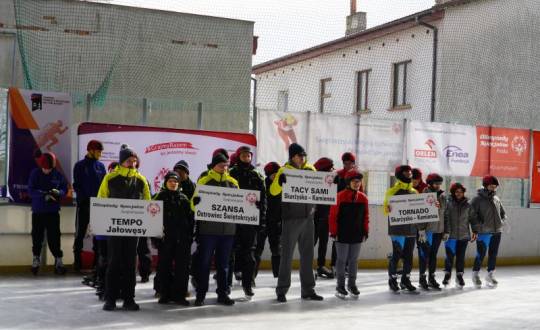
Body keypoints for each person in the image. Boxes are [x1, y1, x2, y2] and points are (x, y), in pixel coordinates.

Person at [99, 145, 151, 311]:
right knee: (114, 262)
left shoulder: (141, 180)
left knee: (130, 263)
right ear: (122, 162)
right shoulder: (110, 178)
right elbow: (102, 200)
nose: (133, 164)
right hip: (115, 228)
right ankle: (110, 299)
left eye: (135, 161)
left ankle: (129, 298)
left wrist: (150, 223)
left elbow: (148, 204)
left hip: (133, 229)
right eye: (129, 161)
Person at [270, 143, 323, 303]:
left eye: (304, 155)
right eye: (300, 155)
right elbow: (273, 191)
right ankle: (281, 290)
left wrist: (330, 183)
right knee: (286, 256)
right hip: (290, 218)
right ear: (292, 156)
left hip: (308, 219)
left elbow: (321, 189)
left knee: (308, 255)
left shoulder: (311, 170)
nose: (302, 158)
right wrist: (279, 182)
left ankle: (308, 290)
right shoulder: (284, 170)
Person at [192, 151, 238, 306]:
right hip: (208, 231)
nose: (224, 168)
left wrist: (252, 206)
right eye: (221, 165)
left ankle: (223, 294)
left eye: (226, 165)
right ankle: (201, 294)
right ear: (214, 165)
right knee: (204, 263)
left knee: (223, 265)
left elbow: (241, 205)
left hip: (227, 232)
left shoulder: (233, 182)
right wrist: (196, 202)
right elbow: (193, 204)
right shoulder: (204, 181)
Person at [229, 146, 267, 299]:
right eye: (243, 155)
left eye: (248, 155)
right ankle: (226, 284)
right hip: (233, 219)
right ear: (239, 156)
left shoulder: (257, 175)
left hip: (250, 221)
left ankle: (248, 284)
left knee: (249, 254)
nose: (246, 157)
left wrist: (261, 219)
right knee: (230, 253)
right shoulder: (231, 173)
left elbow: (263, 199)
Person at [153, 171, 193, 305]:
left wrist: (189, 236)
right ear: (165, 182)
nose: (173, 183)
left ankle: (180, 295)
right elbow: (151, 218)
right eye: (170, 181)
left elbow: (191, 219)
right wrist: (156, 238)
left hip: (182, 239)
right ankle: (165, 294)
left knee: (182, 268)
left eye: (175, 181)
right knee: (164, 267)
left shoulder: (184, 198)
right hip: (165, 240)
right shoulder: (159, 197)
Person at [329, 170, 369, 299]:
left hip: (356, 234)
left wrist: (365, 230)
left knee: (353, 260)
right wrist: (334, 232)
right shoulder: (340, 196)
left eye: (359, 181)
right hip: (342, 233)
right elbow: (333, 216)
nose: (357, 184)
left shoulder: (363, 198)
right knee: (341, 260)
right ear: (348, 182)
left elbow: (366, 216)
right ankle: (340, 285)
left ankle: (352, 284)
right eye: (354, 181)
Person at [28, 152, 68, 275]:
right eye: (44, 168)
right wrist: (44, 194)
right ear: (41, 166)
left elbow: (64, 189)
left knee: (54, 237)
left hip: (52, 212)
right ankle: (36, 259)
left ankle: (58, 261)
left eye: (49, 169)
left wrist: (58, 193)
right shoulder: (35, 173)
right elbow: (31, 190)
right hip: (38, 211)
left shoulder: (58, 175)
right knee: (37, 236)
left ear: (53, 166)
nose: (46, 171)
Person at [384, 165, 419, 293]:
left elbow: (419, 210)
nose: (409, 173)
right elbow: (385, 209)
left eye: (410, 171)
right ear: (400, 174)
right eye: (406, 172)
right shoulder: (391, 192)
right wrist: (387, 208)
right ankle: (392, 279)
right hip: (397, 229)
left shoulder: (415, 192)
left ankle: (405, 280)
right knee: (397, 254)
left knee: (409, 256)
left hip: (411, 229)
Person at [72, 140, 106, 272]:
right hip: (84, 204)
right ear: (90, 150)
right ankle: (77, 262)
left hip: (98, 205)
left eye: (101, 151)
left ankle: (97, 263)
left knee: (98, 235)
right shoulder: (79, 166)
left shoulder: (101, 166)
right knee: (80, 233)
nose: (100, 154)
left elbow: (104, 186)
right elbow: (77, 185)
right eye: (98, 151)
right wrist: (83, 200)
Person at [471, 175, 507, 288]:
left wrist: (503, 220)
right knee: (480, 254)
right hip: (483, 232)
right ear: (486, 186)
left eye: (495, 186)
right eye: (491, 186)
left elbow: (503, 212)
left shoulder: (496, 199)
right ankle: (475, 275)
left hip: (497, 231)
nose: (494, 188)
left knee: (493, 254)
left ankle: (490, 274)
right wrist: (477, 227)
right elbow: (471, 215)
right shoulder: (477, 199)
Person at [443, 183, 479, 289]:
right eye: (457, 192)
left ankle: (459, 275)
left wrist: (475, 231)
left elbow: (473, 219)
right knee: (449, 257)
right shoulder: (448, 204)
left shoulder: (468, 205)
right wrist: (445, 232)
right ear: (453, 193)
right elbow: (445, 218)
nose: (459, 194)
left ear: (464, 192)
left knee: (460, 257)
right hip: (450, 236)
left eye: (461, 192)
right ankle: (447, 275)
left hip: (463, 236)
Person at [417, 173, 446, 291]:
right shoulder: (424, 194)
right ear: (429, 183)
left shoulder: (443, 196)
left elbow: (445, 214)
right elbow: (419, 213)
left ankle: (431, 278)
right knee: (424, 255)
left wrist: (446, 230)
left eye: (439, 183)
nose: (438, 186)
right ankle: (422, 278)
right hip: (427, 230)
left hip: (438, 230)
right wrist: (421, 230)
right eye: (436, 183)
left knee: (433, 255)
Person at [95, 161, 119, 300]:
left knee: (116, 260)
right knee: (104, 260)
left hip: (118, 232)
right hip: (104, 234)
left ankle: (116, 288)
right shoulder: (104, 185)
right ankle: (102, 287)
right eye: (112, 171)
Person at [254, 162, 282, 279]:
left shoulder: (282, 185)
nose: (275, 177)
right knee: (257, 250)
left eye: (277, 174)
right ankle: (251, 278)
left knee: (276, 250)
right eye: (273, 174)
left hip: (276, 222)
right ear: (268, 174)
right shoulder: (262, 184)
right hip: (263, 222)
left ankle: (278, 276)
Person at [313, 157, 335, 279]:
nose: (333, 170)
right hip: (315, 217)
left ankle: (321, 266)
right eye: (331, 168)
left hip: (326, 217)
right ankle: (307, 267)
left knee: (323, 243)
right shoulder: (315, 180)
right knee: (312, 242)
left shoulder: (331, 181)